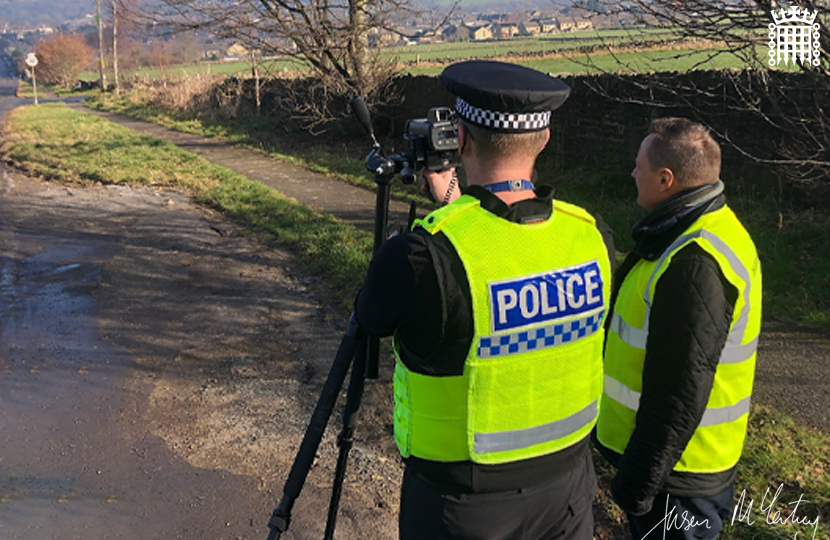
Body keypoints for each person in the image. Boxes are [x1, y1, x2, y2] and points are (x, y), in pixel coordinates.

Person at [355, 60, 613, 540]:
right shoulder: (593, 237)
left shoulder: (421, 256)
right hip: (568, 490)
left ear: (462, 141)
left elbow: (371, 317)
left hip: (462, 506)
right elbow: (507, 255)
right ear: (545, 139)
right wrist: (455, 206)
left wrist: (449, 217)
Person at [594, 118, 763, 540]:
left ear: (666, 179)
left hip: (678, 480)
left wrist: (637, 484)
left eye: (639, 166)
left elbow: (680, 389)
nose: (633, 174)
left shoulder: (695, 262)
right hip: (680, 470)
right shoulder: (694, 230)